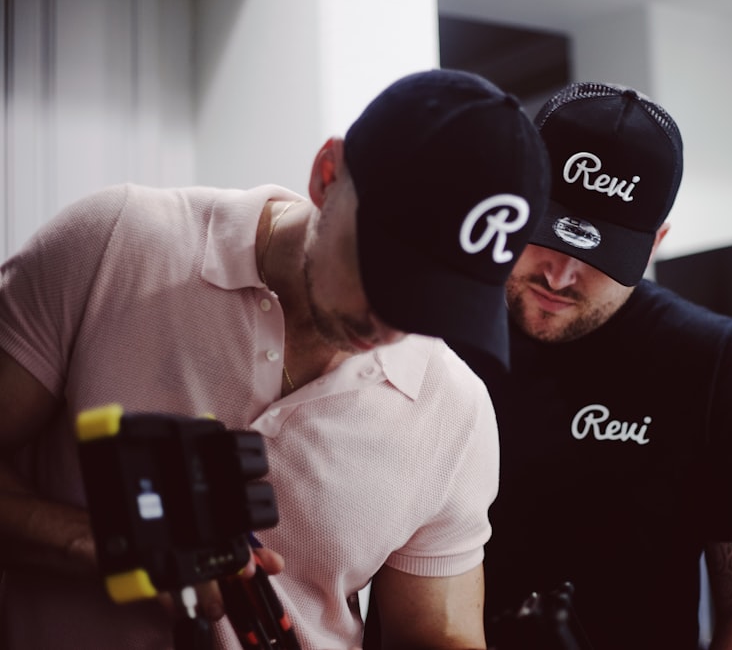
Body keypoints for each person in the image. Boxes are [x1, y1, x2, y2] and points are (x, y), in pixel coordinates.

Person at [0, 68, 551, 649]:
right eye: (388, 276)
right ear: (328, 175)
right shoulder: (115, 242)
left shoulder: (454, 411)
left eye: (441, 304)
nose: (394, 326)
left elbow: (436, 637)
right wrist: (94, 543)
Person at [470, 83, 732, 649]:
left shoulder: (708, 359)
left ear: (653, 247)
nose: (559, 275)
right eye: (545, 235)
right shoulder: (442, 331)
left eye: (597, 256)